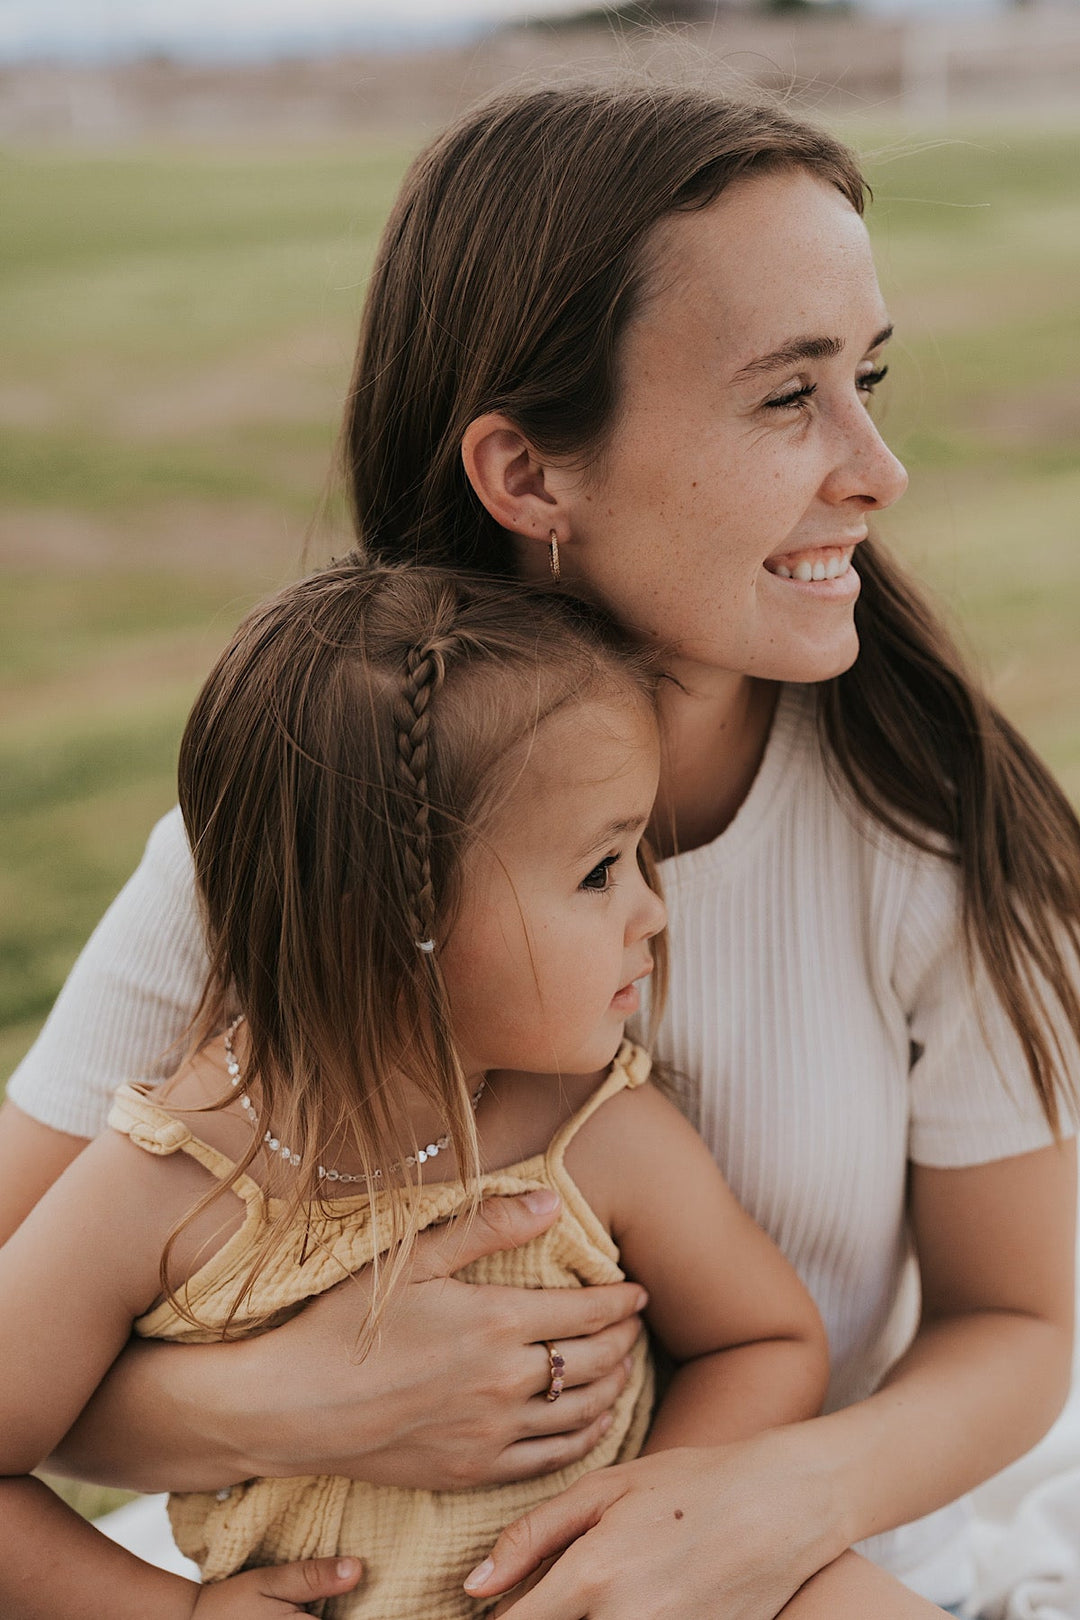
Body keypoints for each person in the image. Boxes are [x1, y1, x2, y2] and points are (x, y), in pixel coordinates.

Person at [2, 84, 1078, 1619]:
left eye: (871, 380)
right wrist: (262, 1409)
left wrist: (752, 1503)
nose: (877, 468)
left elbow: (1022, 1323)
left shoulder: (934, 838)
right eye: (789, 397)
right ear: (528, 477)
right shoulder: (298, 852)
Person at [0, 560, 941, 1620]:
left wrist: (644, 1534)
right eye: (599, 872)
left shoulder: (592, 1131)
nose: (652, 912)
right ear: (393, 927)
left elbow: (764, 1340)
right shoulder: (165, 1183)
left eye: (639, 857)